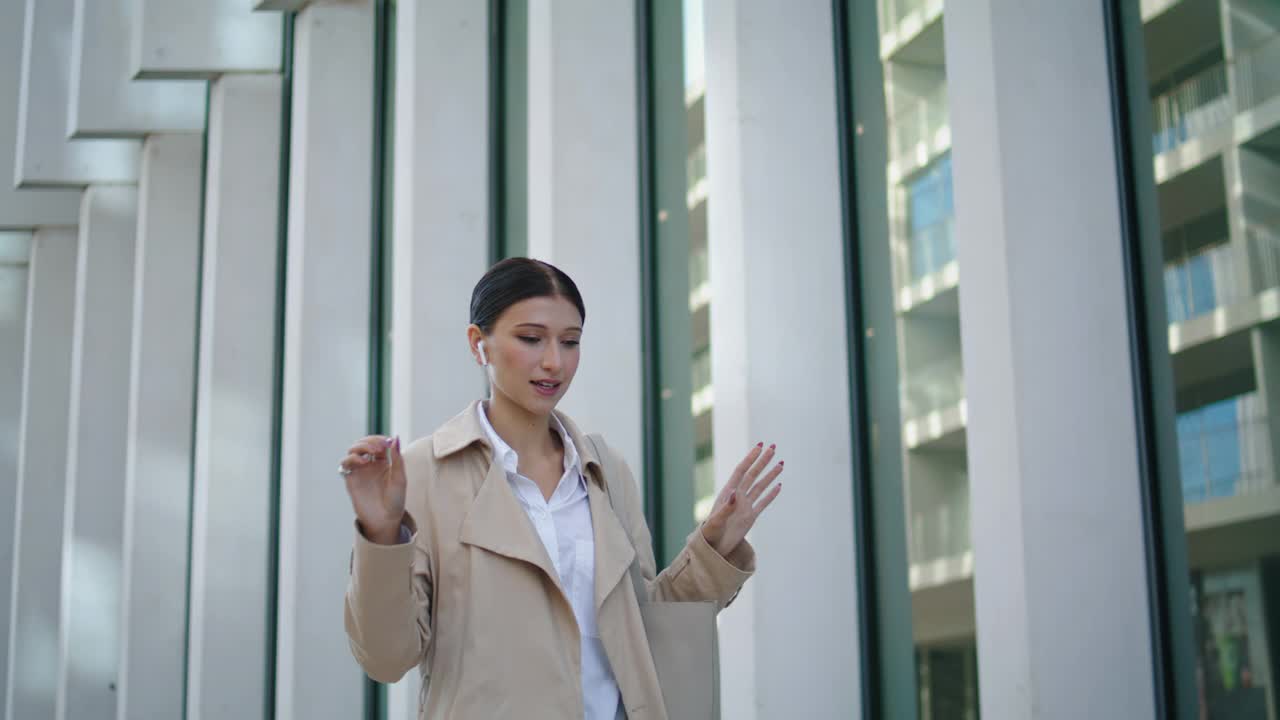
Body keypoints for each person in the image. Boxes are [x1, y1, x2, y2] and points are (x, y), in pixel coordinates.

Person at [340, 257, 784, 719]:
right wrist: (382, 533)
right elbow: (386, 658)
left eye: (570, 342)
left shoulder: (605, 470)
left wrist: (713, 546)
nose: (554, 361)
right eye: (531, 339)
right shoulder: (422, 473)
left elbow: (643, 627)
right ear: (479, 344)